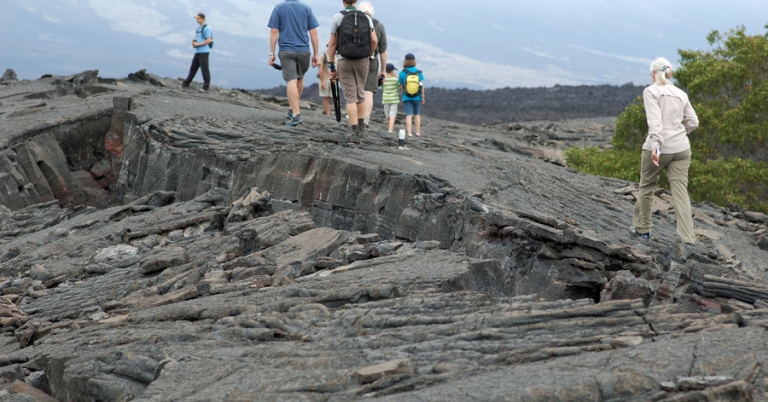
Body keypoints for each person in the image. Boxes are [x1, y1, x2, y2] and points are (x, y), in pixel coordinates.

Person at [630, 57, 699, 255]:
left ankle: (643, 230)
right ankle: (688, 238)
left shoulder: (651, 91)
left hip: (659, 148)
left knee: (646, 187)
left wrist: (657, 146)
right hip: (681, 149)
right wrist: (679, 134)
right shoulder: (681, 93)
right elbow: (693, 122)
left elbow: (655, 122)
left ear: (653, 74)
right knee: (680, 193)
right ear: (669, 73)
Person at [327, 0, 378, 140]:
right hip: (362, 60)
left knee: (350, 97)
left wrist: (331, 64)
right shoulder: (366, 18)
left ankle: (354, 129)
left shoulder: (338, 17)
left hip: (344, 60)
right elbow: (374, 40)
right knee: (361, 92)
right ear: (355, 2)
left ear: (343, 2)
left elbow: (332, 43)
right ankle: (362, 127)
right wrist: (369, 54)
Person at [268, 0, 320, 127]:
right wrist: (316, 54)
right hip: (304, 51)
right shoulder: (306, 8)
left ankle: (296, 114)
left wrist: (272, 53)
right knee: (300, 77)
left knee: (291, 80)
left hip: (287, 51)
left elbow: (274, 31)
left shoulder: (279, 8)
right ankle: (293, 109)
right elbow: (313, 32)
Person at [358, 1, 387, 130]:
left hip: (355, 59)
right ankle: (365, 121)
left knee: (355, 90)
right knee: (368, 92)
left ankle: (355, 120)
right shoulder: (379, 26)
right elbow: (383, 51)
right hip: (372, 60)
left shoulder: (353, 22)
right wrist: (384, 70)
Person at [180, 13, 213, 93]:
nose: (197, 20)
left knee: (204, 69)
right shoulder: (198, 28)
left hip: (204, 52)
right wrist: (194, 43)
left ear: (202, 19)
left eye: (198, 18)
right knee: (193, 68)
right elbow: (198, 38)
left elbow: (208, 40)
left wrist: (198, 44)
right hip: (198, 51)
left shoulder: (207, 28)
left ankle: (205, 87)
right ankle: (186, 84)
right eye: (196, 18)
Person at [399, 53, 425, 137]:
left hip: (406, 96)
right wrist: (423, 97)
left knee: (408, 114)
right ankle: (417, 133)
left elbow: (401, 86)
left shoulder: (402, 72)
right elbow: (421, 85)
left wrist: (402, 97)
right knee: (417, 114)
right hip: (417, 96)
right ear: (414, 61)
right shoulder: (418, 72)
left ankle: (409, 133)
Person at [317, 44, 336, 116]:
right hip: (325, 79)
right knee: (326, 97)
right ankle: (328, 114)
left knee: (335, 97)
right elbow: (320, 69)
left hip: (334, 80)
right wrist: (322, 81)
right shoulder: (323, 56)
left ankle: (336, 113)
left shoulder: (336, 56)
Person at [381, 63, 399, 133]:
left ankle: (389, 128)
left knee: (387, 114)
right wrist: (397, 78)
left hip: (386, 99)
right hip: (394, 99)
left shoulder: (384, 80)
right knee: (393, 114)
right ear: (392, 71)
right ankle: (390, 129)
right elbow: (399, 86)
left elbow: (383, 88)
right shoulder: (395, 79)